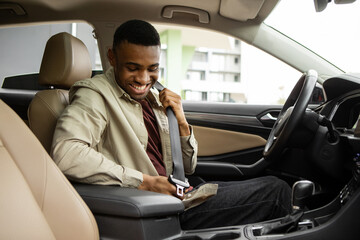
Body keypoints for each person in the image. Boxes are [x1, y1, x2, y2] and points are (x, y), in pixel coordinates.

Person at [51, 19, 291, 230]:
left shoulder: (155, 95)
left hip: (179, 194)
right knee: (276, 191)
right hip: (156, 208)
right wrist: (146, 182)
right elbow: (66, 152)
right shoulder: (95, 95)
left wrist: (182, 123)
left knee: (269, 187)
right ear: (112, 57)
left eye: (152, 68)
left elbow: (188, 166)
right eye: (133, 68)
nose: (144, 79)